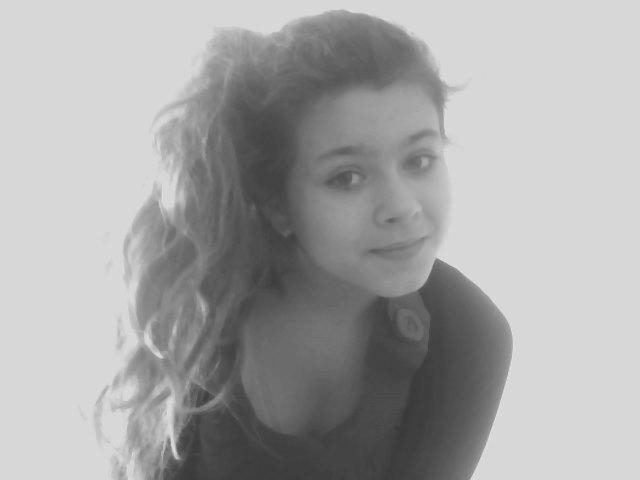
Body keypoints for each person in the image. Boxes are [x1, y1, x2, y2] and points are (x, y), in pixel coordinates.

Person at [92, 9, 512, 480]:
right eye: (347, 177)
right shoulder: (195, 314)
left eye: (419, 160)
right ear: (277, 204)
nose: (402, 207)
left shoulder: (471, 337)